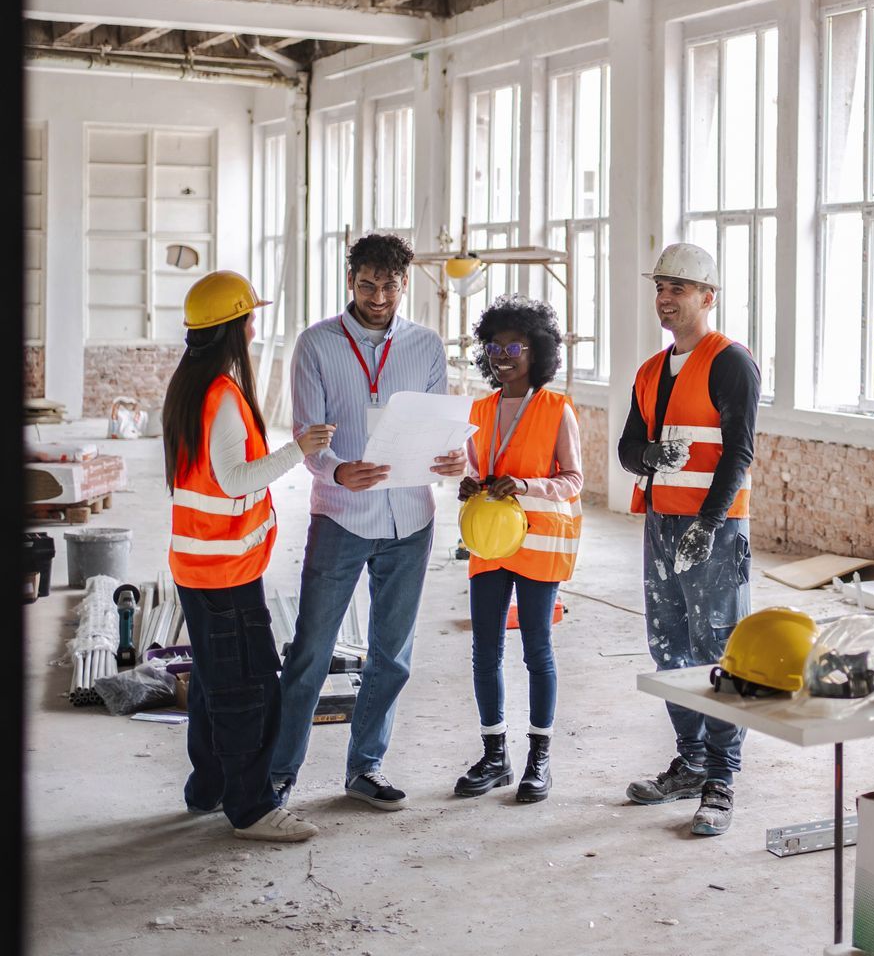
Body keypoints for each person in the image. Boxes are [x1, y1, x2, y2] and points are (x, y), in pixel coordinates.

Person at [271, 233, 465, 812]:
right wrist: (334, 470)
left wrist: (458, 459)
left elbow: (440, 427)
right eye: (366, 284)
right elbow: (308, 437)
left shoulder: (426, 346)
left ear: (405, 283)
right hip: (342, 516)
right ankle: (280, 773)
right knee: (310, 651)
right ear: (349, 280)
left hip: (410, 519)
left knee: (392, 654)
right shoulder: (317, 345)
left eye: (388, 285)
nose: (377, 297)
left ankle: (366, 768)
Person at [162, 271, 334, 842]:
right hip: (225, 571)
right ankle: (252, 807)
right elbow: (235, 481)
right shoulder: (223, 397)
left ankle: (207, 787)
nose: (254, 325)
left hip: (200, 564)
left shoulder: (190, 387)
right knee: (251, 688)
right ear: (235, 326)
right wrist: (298, 449)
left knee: (215, 683)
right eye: (249, 317)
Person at [618, 243, 760, 838]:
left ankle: (722, 778)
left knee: (719, 648)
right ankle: (691, 759)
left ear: (708, 296)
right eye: (660, 287)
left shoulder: (730, 362)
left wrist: (707, 524)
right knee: (669, 645)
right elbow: (629, 451)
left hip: (715, 529)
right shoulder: (651, 371)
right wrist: (649, 455)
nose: (666, 298)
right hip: (661, 522)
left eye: (679, 287)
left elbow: (739, 452)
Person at [452, 295, 583, 804]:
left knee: (536, 650)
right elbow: (471, 466)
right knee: (485, 650)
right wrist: (468, 484)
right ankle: (494, 755)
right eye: (494, 346)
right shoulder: (479, 410)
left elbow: (573, 481)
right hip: (489, 541)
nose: (502, 355)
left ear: (537, 351)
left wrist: (524, 486)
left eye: (514, 346)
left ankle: (539, 758)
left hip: (540, 544)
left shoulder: (557, 409)